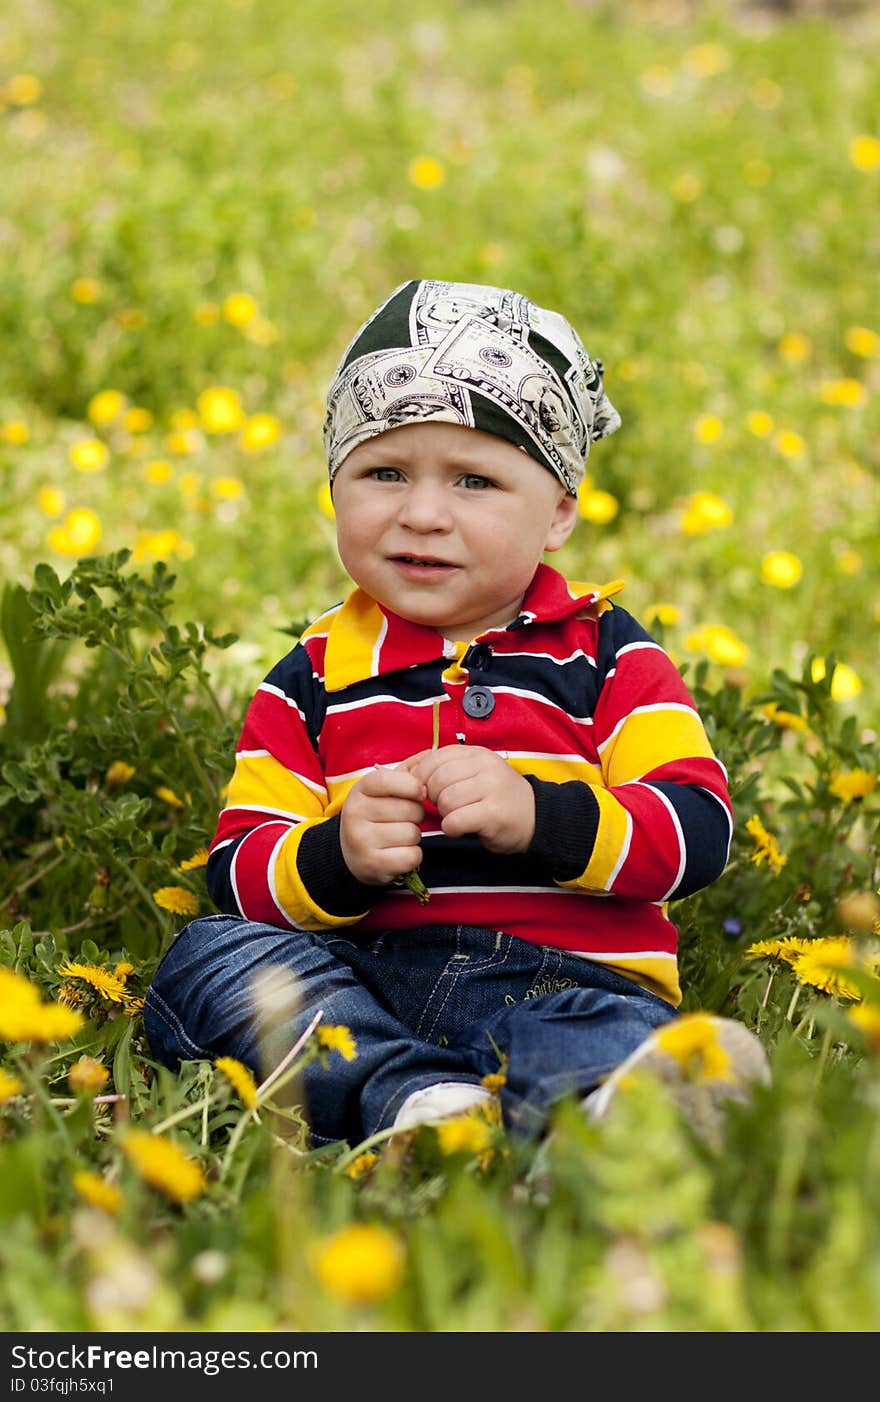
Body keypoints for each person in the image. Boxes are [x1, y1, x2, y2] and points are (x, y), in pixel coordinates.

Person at [144, 278, 768, 1148]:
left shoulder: (607, 655)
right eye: (383, 471)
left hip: (565, 982)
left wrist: (541, 816)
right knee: (211, 960)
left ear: (558, 513)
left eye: (475, 480)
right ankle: (423, 1110)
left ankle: (600, 1119)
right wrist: (336, 856)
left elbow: (696, 831)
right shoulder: (313, 676)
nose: (423, 514)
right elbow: (241, 867)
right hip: (363, 981)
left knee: (600, 1035)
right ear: (335, 487)